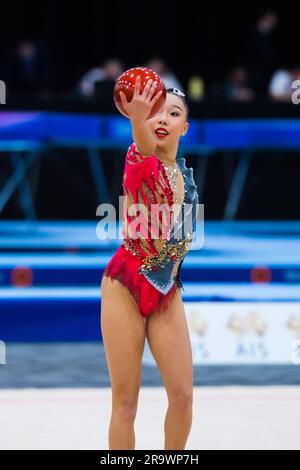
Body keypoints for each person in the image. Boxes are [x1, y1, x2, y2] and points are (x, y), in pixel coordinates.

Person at [100, 77, 199, 450]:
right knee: (126, 402)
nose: (162, 119)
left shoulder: (186, 178)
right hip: (126, 281)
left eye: (172, 114)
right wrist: (136, 118)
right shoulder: (138, 158)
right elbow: (143, 142)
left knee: (183, 396)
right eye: (155, 112)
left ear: (184, 127)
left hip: (165, 286)